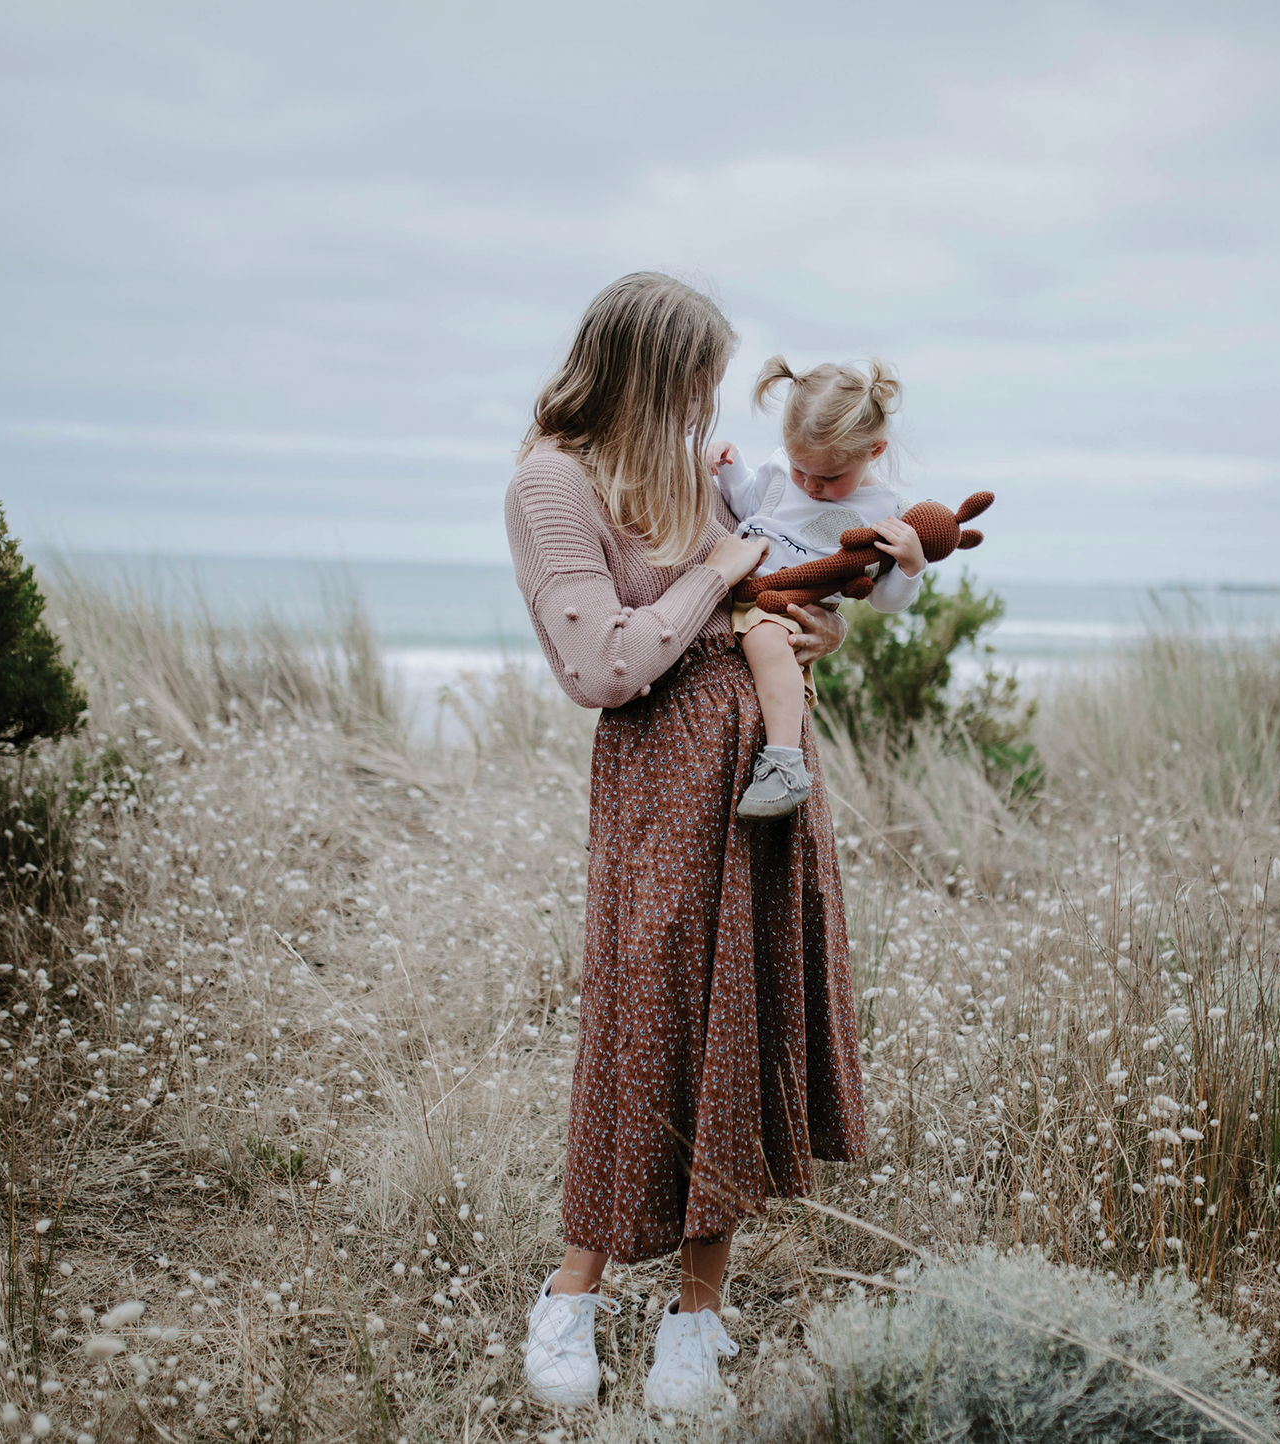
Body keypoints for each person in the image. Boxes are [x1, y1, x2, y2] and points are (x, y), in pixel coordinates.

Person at [503, 274, 869, 1412]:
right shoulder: (550, 483)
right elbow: (604, 663)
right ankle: (573, 1291)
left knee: (736, 1023)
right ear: (645, 372)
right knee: (643, 1019)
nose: (707, 405)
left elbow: (763, 605)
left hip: (762, 778)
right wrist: (719, 571)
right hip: (659, 785)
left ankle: (697, 1315)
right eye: (693, 381)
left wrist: (812, 623)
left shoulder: (689, 471)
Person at [709, 357, 928, 819]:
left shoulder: (883, 513)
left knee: (769, 637)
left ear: (874, 450)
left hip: (790, 605)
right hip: (743, 581)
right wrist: (731, 467)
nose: (810, 486)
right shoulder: (779, 471)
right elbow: (751, 504)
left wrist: (910, 566)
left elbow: (884, 601)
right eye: (799, 470)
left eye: (829, 479)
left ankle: (785, 762)